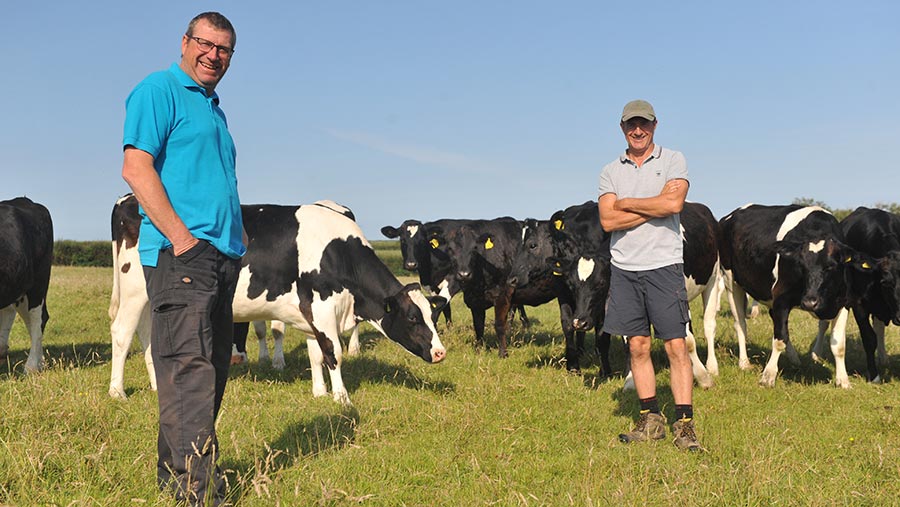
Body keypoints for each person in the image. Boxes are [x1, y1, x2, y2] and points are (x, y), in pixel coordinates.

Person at [121, 11, 245, 504]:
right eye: (205, 44)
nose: (213, 55)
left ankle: (177, 481)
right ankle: (200, 494)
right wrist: (182, 238)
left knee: (206, 374)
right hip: (183, 257)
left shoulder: (214, 108)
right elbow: (135, 168)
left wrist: (236, 243)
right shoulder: (159, 90)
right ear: (185, 41)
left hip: (221, 259)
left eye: (224, 50)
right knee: (189, 374)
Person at [597, 99, 702, 451]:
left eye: (643, 124)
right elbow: (608, 221)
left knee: (675, 346)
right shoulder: (610, 171)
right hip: (625, 268)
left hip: (664, 266)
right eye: (631, 125)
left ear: (655, 125)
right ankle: (650, 419)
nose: (637, 130)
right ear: (622, 128)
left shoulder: (673, 159)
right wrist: (651, 204)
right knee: (637, 346)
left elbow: (673, 205)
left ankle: (684, 424)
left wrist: (626, 202)